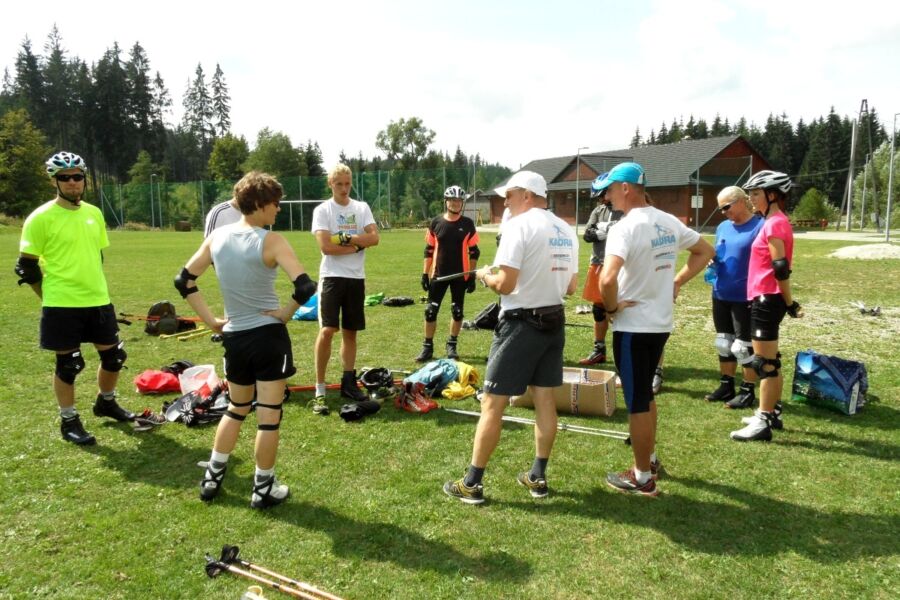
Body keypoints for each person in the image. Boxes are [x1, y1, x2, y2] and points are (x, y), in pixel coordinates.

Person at [175, 171, 317, 508]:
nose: (279, 209)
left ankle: (212, 477)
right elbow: (306, 287)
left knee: (237, 408)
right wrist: (286, 312)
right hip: (268, 338)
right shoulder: (272, 241)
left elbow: (184, 280)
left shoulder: (217, 239)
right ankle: (263, 488)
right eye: (275, 204)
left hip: (234, 338)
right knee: (269, 415)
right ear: (260, 204)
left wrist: (212, 322)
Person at [443, 171, 578, 504]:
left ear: (527, 195)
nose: (506, 202)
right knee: (545, 400)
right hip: (553, 322)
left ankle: (472, 484)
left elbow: (506, 284)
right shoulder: (566, 229)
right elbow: (571, 287)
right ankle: (537, 477)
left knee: (492, 403)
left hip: (521, 324)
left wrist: (486, 275)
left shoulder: (520, 225)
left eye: (510, 196)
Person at [598, 162, 714, 496]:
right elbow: (705, 251)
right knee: (645, 394)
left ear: (625, 188)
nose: (607, 197)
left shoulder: (625, 227)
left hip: (633, 326)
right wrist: (676, 281)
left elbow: (607, 279)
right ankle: (648, 458)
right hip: (659, 323)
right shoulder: (667, 221)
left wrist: (610, 307)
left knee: (636, 399)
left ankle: (642, 477)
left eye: (609, 190)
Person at [15, 151, 134, 445]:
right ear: (55, 181)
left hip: (98, 299)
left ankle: (106, 402)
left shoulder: (94, 213)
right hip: (61, 304)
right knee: (69, 366)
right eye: (64, 178)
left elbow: (97, 255)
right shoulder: (40, 217)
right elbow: (26, 266)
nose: (72, 183)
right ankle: (68, 420)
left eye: (77, 177)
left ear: (84, 179)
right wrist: (48, 297)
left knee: (114, 357)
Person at [730, 171, 802, 442]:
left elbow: (780, 267)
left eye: (756, 193)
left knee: (765, 364)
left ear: (772, 195)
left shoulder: (774, 224)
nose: (751, 199)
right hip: (765, 297)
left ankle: (763, 422)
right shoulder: (772, 221)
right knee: (770, 360)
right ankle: (772, 411)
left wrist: (789, 301)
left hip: (768, 298)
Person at [310, 163, 380, 414]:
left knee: (351, 332)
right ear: (330, 184)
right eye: (338, 183)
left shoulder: (361, 208)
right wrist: (357, 246)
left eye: (347, 183)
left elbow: (375, 238)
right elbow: (326, 246)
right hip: (331, 277)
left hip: (355, 278)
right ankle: (319, 388)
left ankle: (348, 382)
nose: (343, 188)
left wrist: (349, 239)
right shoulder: (323, 210)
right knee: (328, 330)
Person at [705, 186, 763, 408]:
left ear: (741, 201)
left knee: (743, 346)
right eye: (720, 209)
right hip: (720, 292)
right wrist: (713, 261)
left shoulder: (759, 226)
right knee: (724, 342)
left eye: (726, 207)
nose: (723, 212)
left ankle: (748, 390)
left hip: (745, 295)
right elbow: (720, 252)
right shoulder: (722, 227)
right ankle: (726, 384)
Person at [416, 185, 481, 362]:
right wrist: (424, 274)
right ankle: (427, 347)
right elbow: (428, 250)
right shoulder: (436, 222)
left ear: (462, 203)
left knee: (457, 311)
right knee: (430, 311)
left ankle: (452, 345)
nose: (455, 203)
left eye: (458, 200)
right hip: (438, 275)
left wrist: (472, 276)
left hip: (460, 276)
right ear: (446, 202)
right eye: (452, 200)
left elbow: (474, 252)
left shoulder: (467, 224)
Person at [579, 172, 623, 365]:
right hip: (598, 262)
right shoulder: (598, 211)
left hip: (620, 265)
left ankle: (624, 351)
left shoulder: (625, 209)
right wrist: (603, 232)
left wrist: (608, 229)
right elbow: (587, 235)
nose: (599, 199)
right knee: (599, 309)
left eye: (601, 194)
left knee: (620, 308)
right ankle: (599, 349)